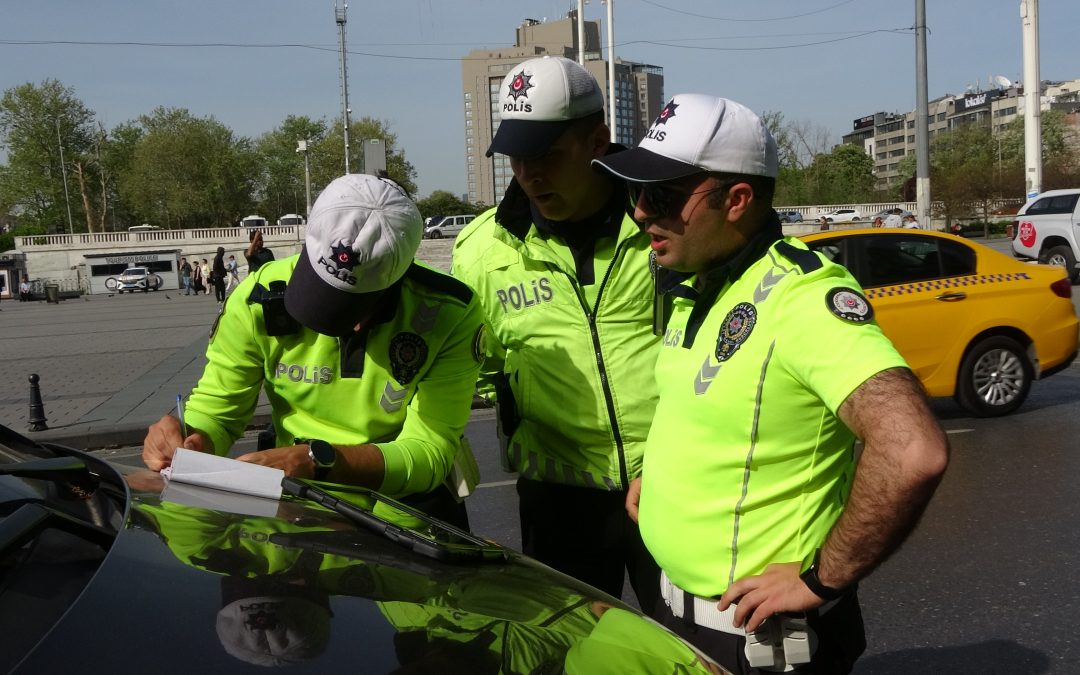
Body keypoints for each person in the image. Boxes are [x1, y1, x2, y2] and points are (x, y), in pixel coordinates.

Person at [593, 94, 949, 673]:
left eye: (661, 195)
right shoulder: (698, 283)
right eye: (634, 192)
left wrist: (821, 579)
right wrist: (656, 479)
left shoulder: (802, 299)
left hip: (757, 644)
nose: (639, 212)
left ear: (736, 200)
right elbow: (714, 416)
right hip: (677, 617)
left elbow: (913, 450)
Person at [142, 173, 486, 527]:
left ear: (401, 276)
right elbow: (219, 409)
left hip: (403, 519)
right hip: (294, 511)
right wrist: (189, 437)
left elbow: (429, 453)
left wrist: (318, 462)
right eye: (319, 290)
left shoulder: (450, 312)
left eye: (354, 306)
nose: (343, 325)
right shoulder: (257, 296)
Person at [451, 55, 661, 613]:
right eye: (517, 157)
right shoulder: (480, 252)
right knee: (570, 656)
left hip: (672, 484)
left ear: (598, 139)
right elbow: (481, 370)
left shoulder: (665, 222)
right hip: (559, 504)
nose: (530, 173)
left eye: (547, 154)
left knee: (692, 654)